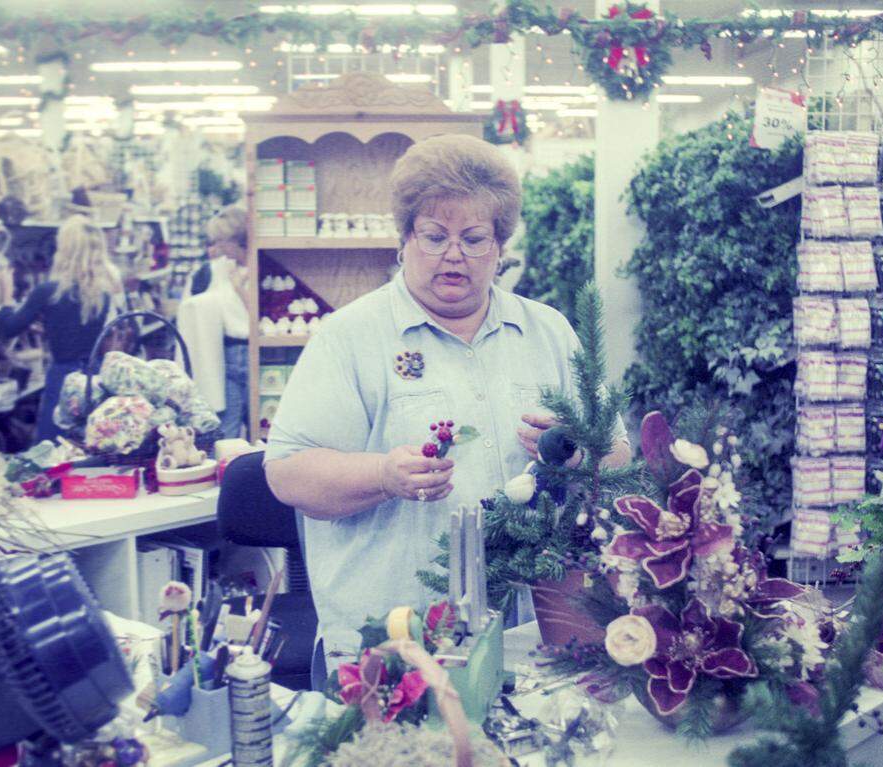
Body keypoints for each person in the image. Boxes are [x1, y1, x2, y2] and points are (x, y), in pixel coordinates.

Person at [263, 134, 631, 689]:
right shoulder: (350, 338)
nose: (453, 254)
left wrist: (577, 453)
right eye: (435, 236)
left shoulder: (547, 333)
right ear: (405, 239)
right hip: (391, 645)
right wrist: (384, 475)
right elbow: (288, 474)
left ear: (501, 246)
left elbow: (619, 455)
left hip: (527, 638)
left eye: (474, 238)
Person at [0, 214, 121, 444]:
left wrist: (6, 294)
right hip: (96, 375)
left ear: (64, 250)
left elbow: (9, 327)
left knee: (54, 445)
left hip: (64, 377)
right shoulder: (104, 291)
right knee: (90, 441)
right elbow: (85, 328)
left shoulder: (48, 291)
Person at [176, 207, 250, 438]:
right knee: (225, 428)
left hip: (259, 353)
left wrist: (239, 289)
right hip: (225, 355)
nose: (218, 248)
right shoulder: (214, 271)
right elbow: (191, 309)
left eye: (222, 241)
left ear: (238, 239)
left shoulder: (263, 266)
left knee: (264, 425)